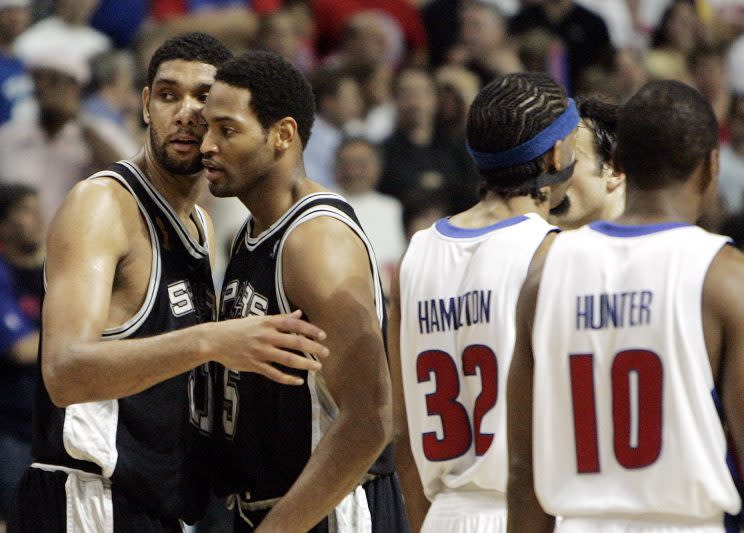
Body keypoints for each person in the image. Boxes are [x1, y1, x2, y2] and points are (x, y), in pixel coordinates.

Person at [8, 33, 329, 532]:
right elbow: (64, 372)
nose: (184, 112)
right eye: (167, 94)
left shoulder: (200, 224)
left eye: (203, 97)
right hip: (90, 497)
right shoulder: (103, 206)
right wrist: (212, 341)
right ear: (144, 104)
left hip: (158, 505)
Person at [507, 80, 744, 533]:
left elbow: (522, 474)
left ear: (618, 163)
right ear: (711, 167)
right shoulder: (724, 278)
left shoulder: (544, 275)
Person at [200, 50, 408, 532]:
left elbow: (371, 417)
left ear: (283, 135)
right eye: (209, 128)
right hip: (275, 509)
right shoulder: (253, 232)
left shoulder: (316, 241)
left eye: (226, 130)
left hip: (331, 510)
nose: (207, 145)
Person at [389, 72, 579, 533]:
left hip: (444, 512)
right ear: (555, 154)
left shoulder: (417, 251)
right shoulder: (552, 253)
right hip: (530, 514)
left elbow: (401, 433)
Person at [0, 184, 42, 528]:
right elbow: (19, 348)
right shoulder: (2, 275)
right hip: (11, 429)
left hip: (56, 429)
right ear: (4, 227)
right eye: (26, 212)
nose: (39, 219)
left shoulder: (56, 271)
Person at [549, 97, 624, 229]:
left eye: (566, 159)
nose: (547, 176)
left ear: (615, 171)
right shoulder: (538, 246)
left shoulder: (664, 245)